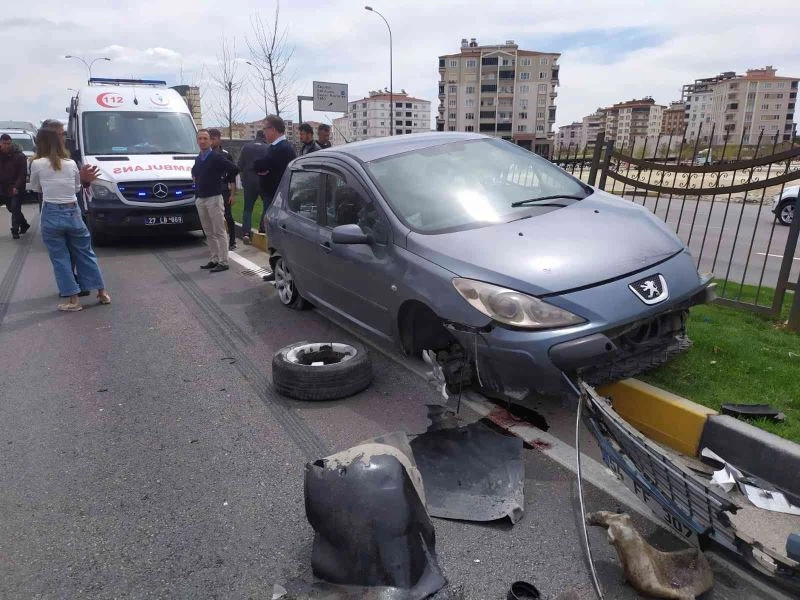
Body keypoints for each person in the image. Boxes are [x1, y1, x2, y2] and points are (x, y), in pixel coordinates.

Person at [29, 128, 110, 311]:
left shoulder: (37, 164)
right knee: (86, 253)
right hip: (73, 210)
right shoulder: (71, 163)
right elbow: (76, 188)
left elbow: (35, 187)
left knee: (60, 258)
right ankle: (102, 292)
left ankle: (74, 300)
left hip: (51, 212)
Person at [39, 119, 100, 297]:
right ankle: (71, 285)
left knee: (78, 248)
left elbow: (78, 184)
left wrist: (85, 181)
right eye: (60, 134)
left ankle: (80, 284)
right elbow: (39, 186)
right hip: (51, 206)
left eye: (64, 133)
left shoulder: (72, 153)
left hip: (74, 205)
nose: (64, 137)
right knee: (61, 251)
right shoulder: (40, 159)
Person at [253, 115, 296, 281]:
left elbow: (260, 165)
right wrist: (262, 168)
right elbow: (260, 166)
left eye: (265, 129)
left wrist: (263, 168)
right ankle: (276, 267)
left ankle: (281, 268)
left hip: (278, 198)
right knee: (273, 235)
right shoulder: (275, 147)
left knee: (277, 236)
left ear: (273, 129)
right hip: (271, 196)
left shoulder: (282, 149)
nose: (264, 132)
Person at [191, 129, 239, 273]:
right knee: (209, 232)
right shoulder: (199, 158)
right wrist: (195, 176)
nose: (203, 141)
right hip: (201, 199)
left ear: (210, 141)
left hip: (214, 198)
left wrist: (221, 179)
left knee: (219, 231)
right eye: (200, 138)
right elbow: (194, 171)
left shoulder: (216, 157)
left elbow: (234, 169)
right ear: (197, 141)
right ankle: (214, 258)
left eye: (205, 138)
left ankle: (224, 261)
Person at [237, 129, 269, 246]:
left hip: (249, 180)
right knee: (267, 205)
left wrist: (243, 178)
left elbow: (240, 165)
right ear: (264, 136)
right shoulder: (267, 147)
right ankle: (262, 228)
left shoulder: (246, 147)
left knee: (248, 209)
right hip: (263, 180)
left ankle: (246, 233)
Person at [208, 128, 238, 251]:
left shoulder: (226, 155)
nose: (211, 142)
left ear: (219, 140)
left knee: (228, 216)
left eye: (213, 139)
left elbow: (232, 177)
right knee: (212, 218)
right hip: (209, 191)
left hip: (224, 189)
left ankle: (232, 241)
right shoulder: (205, 155)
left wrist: (232, 194)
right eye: (209, 139)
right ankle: (216, 243)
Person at [0, 133, 31, 239]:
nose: (6, 146)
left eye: (8, 143)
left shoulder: (19, 156)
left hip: (16, 187)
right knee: (11, 208)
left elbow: (22, 174)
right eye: (4, 143)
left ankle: (15, 230)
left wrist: (16, 187)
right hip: (3, 186)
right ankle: (24, 224)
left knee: (15, 207)